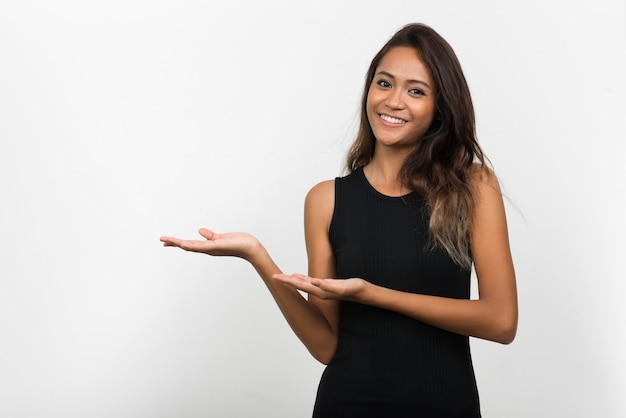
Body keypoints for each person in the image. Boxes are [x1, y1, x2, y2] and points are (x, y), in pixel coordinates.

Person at [160, 22, 518, 418]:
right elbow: (326, 346)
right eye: (384, 83)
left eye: (416, 90)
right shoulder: (326, 200)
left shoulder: (473, 186)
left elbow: (501, 322)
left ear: (440, 108)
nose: (394, 101)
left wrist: (372, 294)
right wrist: (257, 256)